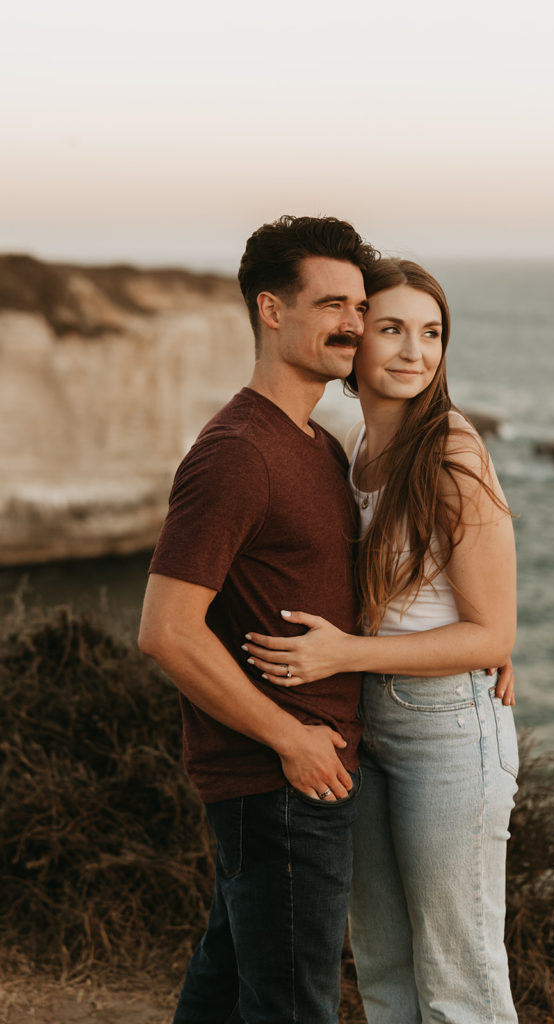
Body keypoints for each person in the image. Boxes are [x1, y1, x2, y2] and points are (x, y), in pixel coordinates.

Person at [242, 259, 519, 1023]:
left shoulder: (452, 452)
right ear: (355, 339)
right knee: (385, 965)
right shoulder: (353, 446)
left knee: (460, 974)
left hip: (447, 728)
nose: (414, 352)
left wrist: (344, 654)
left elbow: (491, 630)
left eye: (431, 334)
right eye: (391, 329)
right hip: (369, 722)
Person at [138, 215, 379, 1024]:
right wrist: (291, 738)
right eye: (331, 304)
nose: (353, 322)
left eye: (358, 304)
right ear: (272, 311)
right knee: (292, 1005)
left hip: (299, 773)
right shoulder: (237, 449)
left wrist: (474, 644)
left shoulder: (318, 445)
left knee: (228, 984)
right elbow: (166, 629)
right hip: (278, 779)